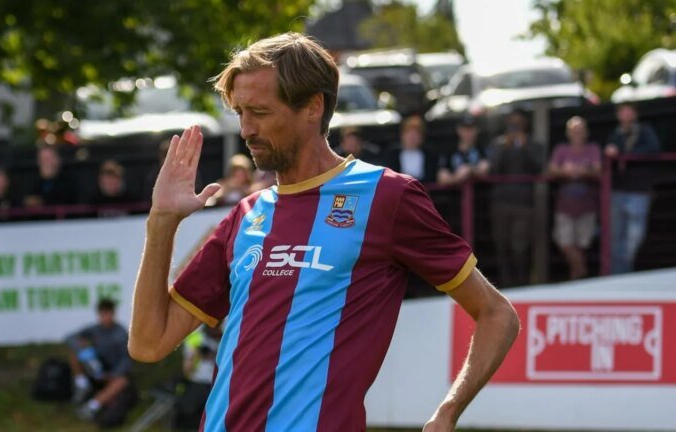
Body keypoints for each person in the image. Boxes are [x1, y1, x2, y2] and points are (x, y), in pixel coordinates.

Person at [129, 33, 519, 432]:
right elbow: (148, 343)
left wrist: (447, 412)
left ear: (313, 107)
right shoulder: (245, 216)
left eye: (260, 112)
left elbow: (497, 315)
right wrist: (162, 221)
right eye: (240, 113)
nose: (246, 130)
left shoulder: (386, 196)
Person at [486, 110, 543, 287]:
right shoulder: (498, 144)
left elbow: (539, 167)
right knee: (502, 245)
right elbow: (493, 169)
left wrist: (525, 147)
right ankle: (505, 284)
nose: (515, 126)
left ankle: (522, 283)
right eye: (512, 123)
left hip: (523, 203)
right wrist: (505, 147)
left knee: (520, 246)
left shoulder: (533, 144)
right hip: (501, 202)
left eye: (519, 123)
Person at [605, 102, 661, 274]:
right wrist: (611, 152)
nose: (627, 116)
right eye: (623, 112)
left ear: (635, 114)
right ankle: (618, 275)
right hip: (618, 190)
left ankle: (623, 272)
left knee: (634, 237)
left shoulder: (645, 131)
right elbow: (608, 153)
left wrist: (625, 156)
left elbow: (653, 149)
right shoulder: (615, 134)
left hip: (639, 190)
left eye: (629, 112)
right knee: (615, 236)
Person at [67, 298, 137, 427]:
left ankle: (91, 407)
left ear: (113, 314)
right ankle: (81, 384)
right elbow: (70, 338)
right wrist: (81, 344)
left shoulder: (121, 334)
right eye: (102, 314)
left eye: (108, 314)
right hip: (96, 368)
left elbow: (126, 360)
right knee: (75, 353)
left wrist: (112, 374)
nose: (105, 318)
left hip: (113, 372)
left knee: (121, 381)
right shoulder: (95, 329)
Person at [548, 117, 601, 280]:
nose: (577, 134)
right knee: (565, 243)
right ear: (568, 133)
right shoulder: (561, 150)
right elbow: (552, 169)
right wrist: (565, 171)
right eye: (574, 131)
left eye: (580, 131)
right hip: (565, 207)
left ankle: (576, 278)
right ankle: (582, 273)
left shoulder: (592, 149)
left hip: (587, 207)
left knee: (582, 244)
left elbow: (598, 170)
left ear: (586, 133)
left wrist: (583, 171)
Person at [175, 325, 222, 429]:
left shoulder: (226, 336)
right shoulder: (196, 338)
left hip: (215, 385)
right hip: (198, 384)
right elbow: (187, 368)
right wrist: (196, 354)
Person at [437, 115, 489, 186]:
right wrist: (456, 177)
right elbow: (441, 177)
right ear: (458, 130)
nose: (468, 133)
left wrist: (470, 170)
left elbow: (485, 170)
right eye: (465, 129)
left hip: (479, 191)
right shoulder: (450, 151)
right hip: (455, 192)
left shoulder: (482, 149)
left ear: (477, 130)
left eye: (471, 129)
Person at [385, 115, 439, 183]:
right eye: (409, 134)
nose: (412, 137)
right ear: (402, 135)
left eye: (416, 134)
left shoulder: (430, 155)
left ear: (422, 137)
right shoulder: (393, 155)